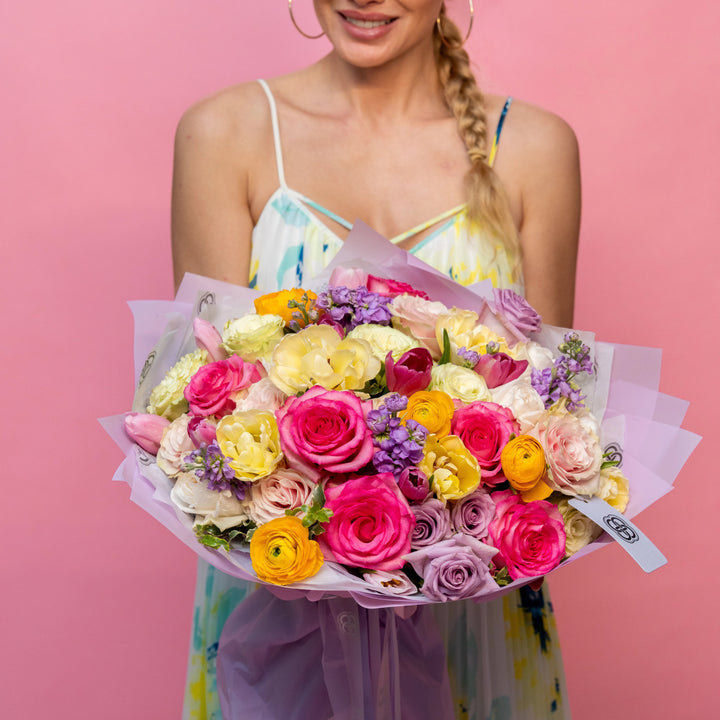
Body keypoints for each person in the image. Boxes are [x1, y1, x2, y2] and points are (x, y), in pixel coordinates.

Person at [171, 2, 581, 718]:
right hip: (277, 593)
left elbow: (557, 409)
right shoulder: (225, 133)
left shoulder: (535, 147)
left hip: (471, 610)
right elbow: (206, 395)